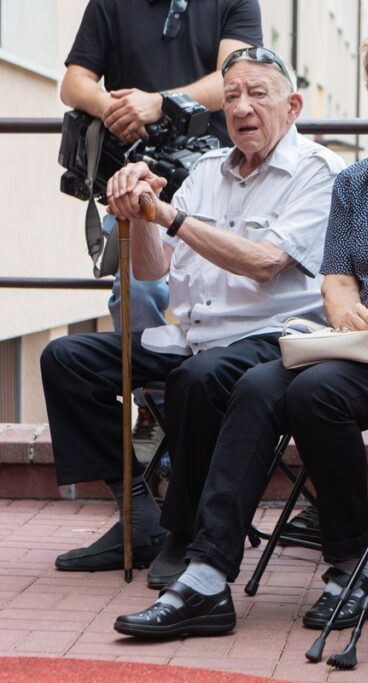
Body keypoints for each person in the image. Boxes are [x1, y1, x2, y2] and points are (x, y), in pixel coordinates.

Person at [113, 20, 368, 639]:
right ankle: (205, 577)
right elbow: (335, 274)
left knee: (314, 393)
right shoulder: (356, 180)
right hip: (359, 341)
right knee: (254, 385)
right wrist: (344, 306)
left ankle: (351, 566)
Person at [42, 48, 341, 594]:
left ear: (293, 105)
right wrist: (141, 211)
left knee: (197, 379)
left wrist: (170, 216)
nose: (242, 107)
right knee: (66, 359)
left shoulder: (318, 172)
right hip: (194, 336)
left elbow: (266, 264)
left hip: (271, 339)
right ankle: (138, 512)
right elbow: (156, 267)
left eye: (258, 94)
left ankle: (184, 529)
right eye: (231, 97)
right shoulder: (206, 170)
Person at [61, 0, 262, 452]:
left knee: (229, 296)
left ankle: (207, 412)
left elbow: (238, 74)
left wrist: (160, 103)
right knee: (140, 291)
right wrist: (112, 107)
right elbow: (73, 82)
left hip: (219, 180)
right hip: (136, 178)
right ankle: (157, 413)